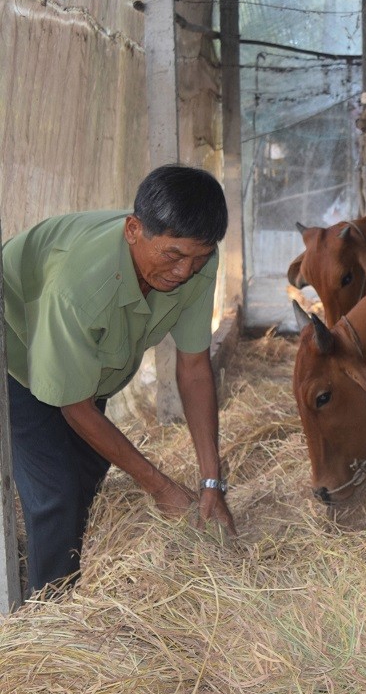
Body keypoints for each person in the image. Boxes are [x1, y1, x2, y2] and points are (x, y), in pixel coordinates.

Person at [3, 164, 237, 596]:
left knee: (90, 464)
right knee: (55, 490)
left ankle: (67, 558)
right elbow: (74, 406)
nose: (185, 272)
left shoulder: (194, 255)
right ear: (133, 230)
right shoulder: (78, 290)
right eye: (173, 256)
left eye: (198, 258)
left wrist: (211, 482)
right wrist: (160, 488)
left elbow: (193, 368)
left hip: (86, 357)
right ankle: (52, 615)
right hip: (15, 340)